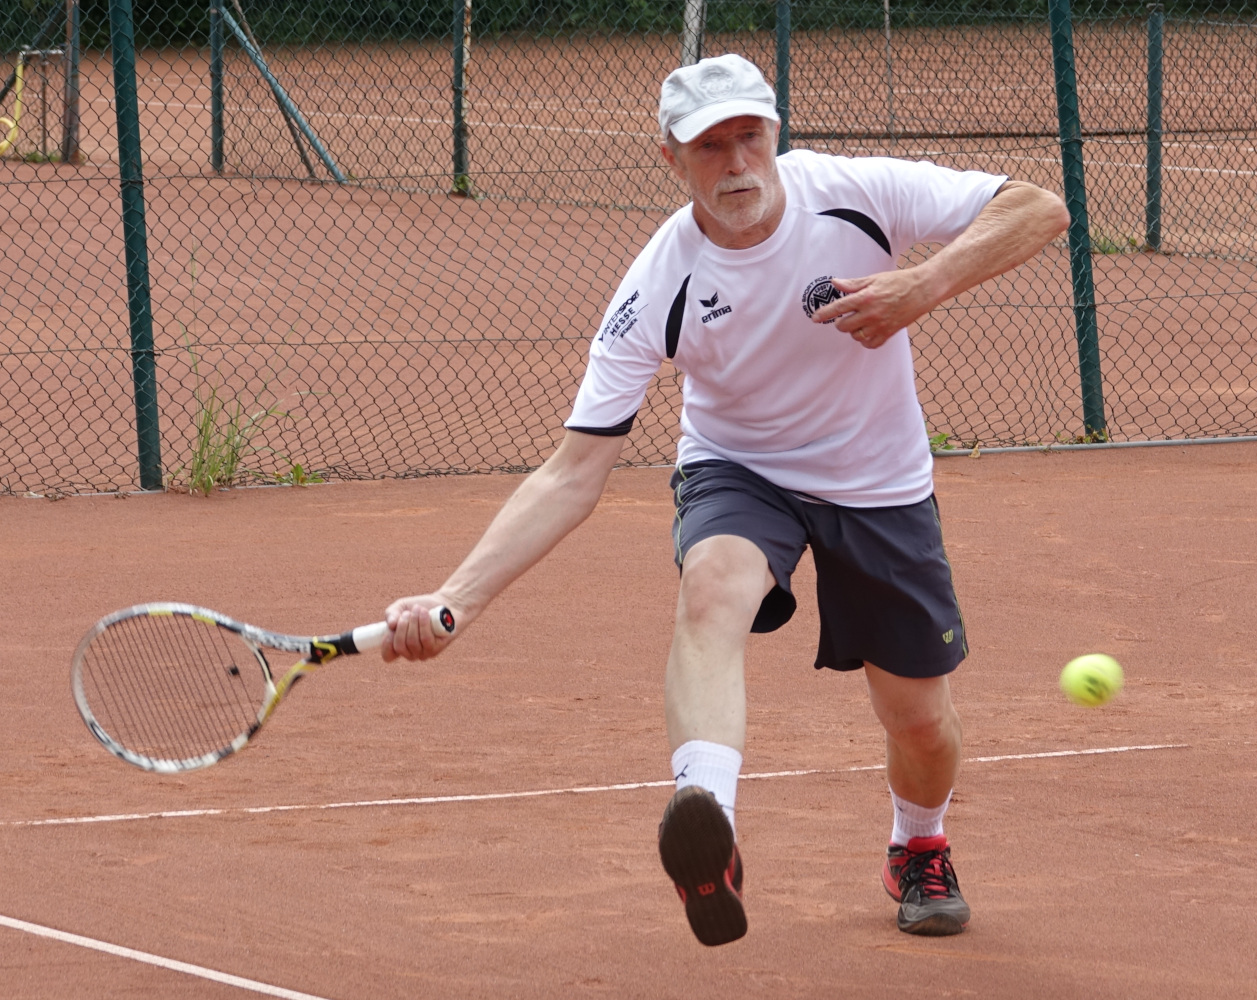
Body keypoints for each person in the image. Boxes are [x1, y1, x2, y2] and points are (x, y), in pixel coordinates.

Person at [380, 53, 1069, 946]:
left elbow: (1038, 207)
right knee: (711, 588)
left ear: (775, 133)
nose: (736, 162)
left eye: (750, 136)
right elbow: (571, 472)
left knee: (920, 722)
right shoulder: (657, 285)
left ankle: (918, 842)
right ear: (671, 159)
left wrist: (919, 286)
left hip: (878, 481)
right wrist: (454, 599)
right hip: (740, 469)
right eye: (710, 147)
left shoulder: (855, 190)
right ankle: (707, 822)